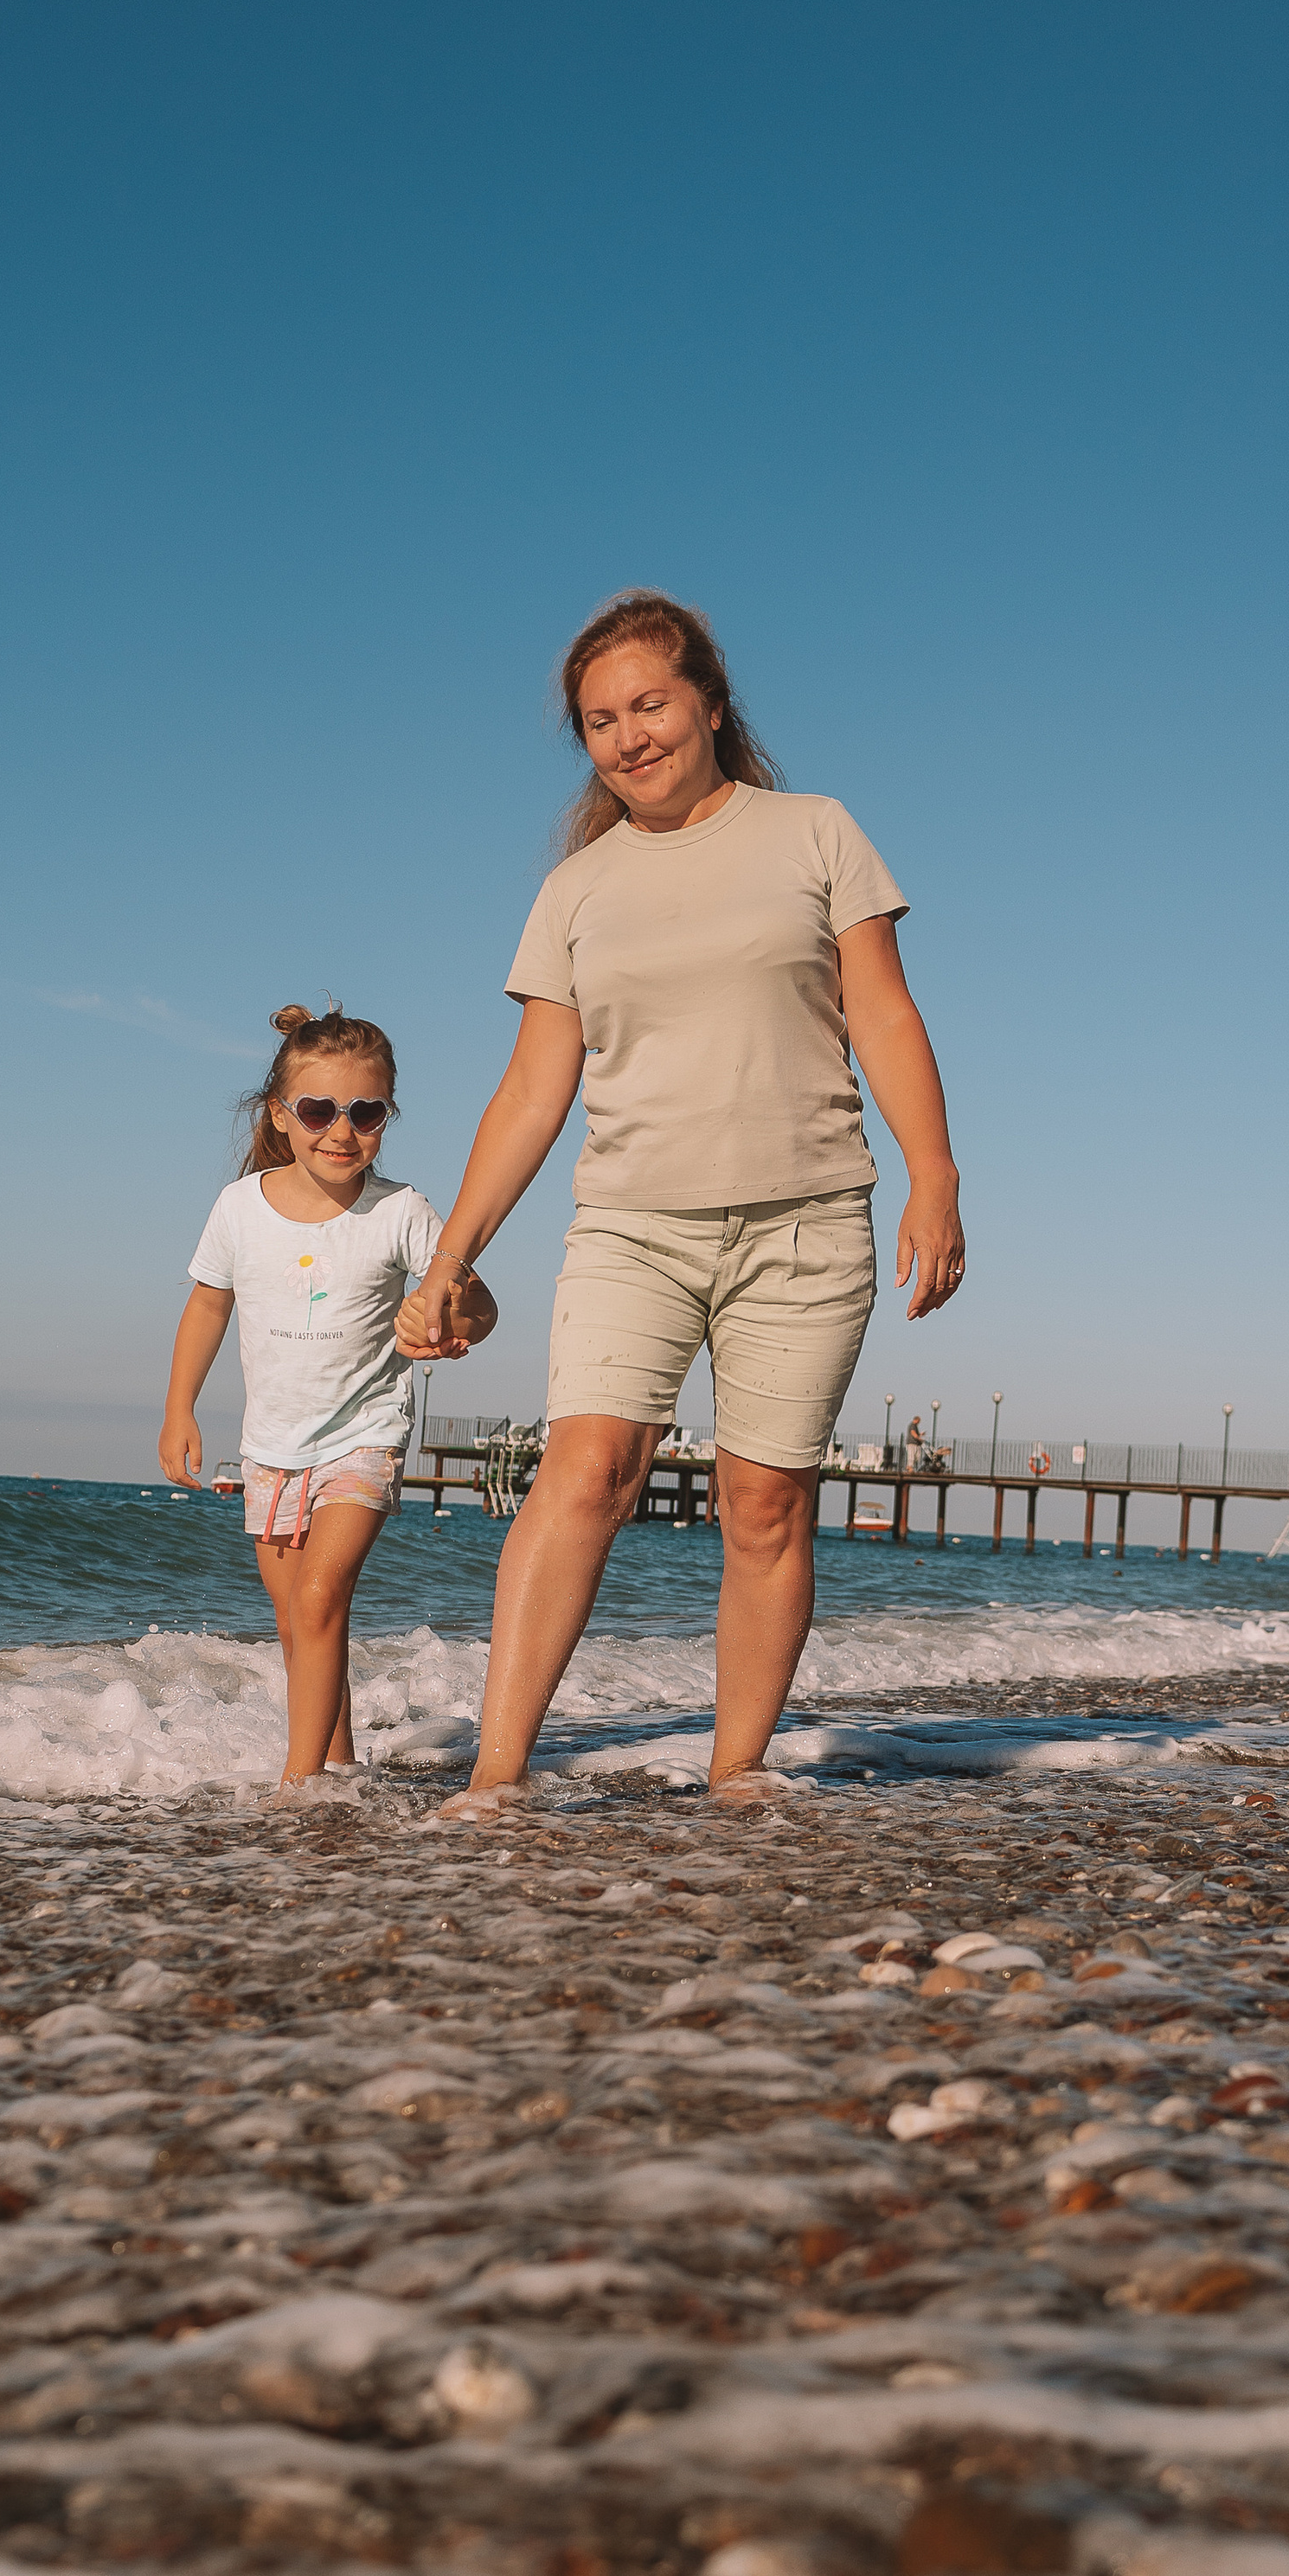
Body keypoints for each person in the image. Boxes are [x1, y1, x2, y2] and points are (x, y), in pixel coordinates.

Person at [398, 591, 965, 1808]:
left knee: (764, 1503)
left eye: (649, 703)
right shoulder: (576, 892)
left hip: (808, 1221)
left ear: (709, 701)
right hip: (631, 1227)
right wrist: (451, 1255)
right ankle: (498, 1775)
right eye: (600, 720)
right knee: (586, 1470)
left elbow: (885, 1014)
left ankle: (737, 1772)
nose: (629, 735)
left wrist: (937, 1177)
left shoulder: (815, 833)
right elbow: (531, 1093)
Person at [160, 1003, 494, 1785]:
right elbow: (209, 1305)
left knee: (318, 1600)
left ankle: (299, 1784)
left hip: (365, 1436)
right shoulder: (239, 1208)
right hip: (271, 1443)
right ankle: (339, 1766)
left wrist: (454, 1316)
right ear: (282, 1116)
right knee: (302, 1620)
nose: (341, 1131)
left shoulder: (400, 1211)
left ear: (386, 1117)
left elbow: (478, 1299)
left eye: (365, 1112)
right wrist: (180, 1408)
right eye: (319, 1110)